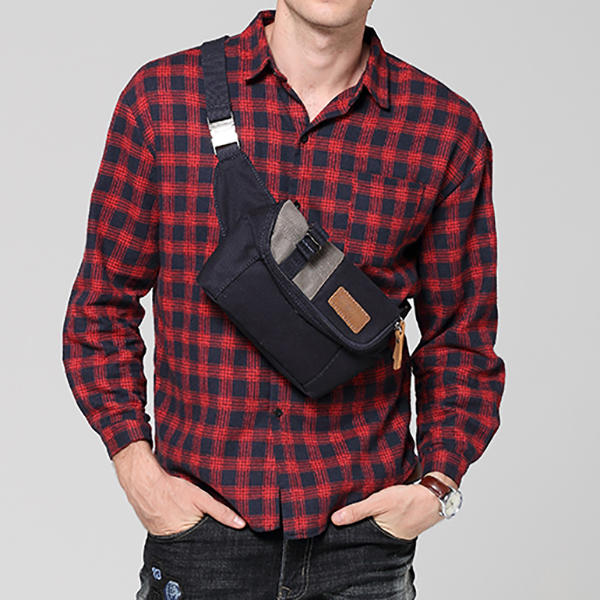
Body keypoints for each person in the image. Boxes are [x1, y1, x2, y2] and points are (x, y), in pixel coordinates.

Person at [62, 2, 506, 598]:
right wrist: (136, 467)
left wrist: (436, 487)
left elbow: (463, 339)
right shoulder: (162, 100)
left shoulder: (444, 130)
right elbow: (100, 307)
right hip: (202, 538)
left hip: (364, 550)